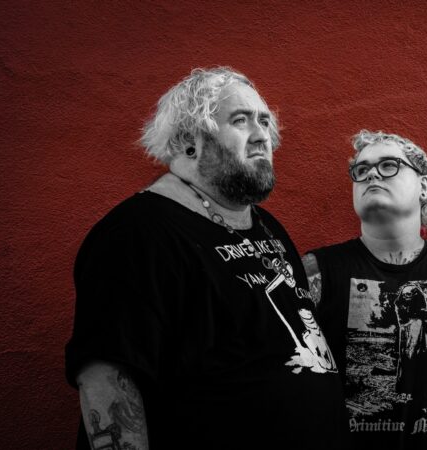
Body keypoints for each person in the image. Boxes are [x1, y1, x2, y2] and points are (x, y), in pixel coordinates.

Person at [65, 67, 346, 449]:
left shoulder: (267, 226)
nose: (261, 135)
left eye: (264, 122)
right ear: (188, 141)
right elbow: (107, 378)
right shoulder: (137, 233)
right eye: (241, 120)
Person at [302, 130, 427, 450]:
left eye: (389, 165)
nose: (372, 175)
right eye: (362, 169)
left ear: (423, 186)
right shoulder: (315, 272)